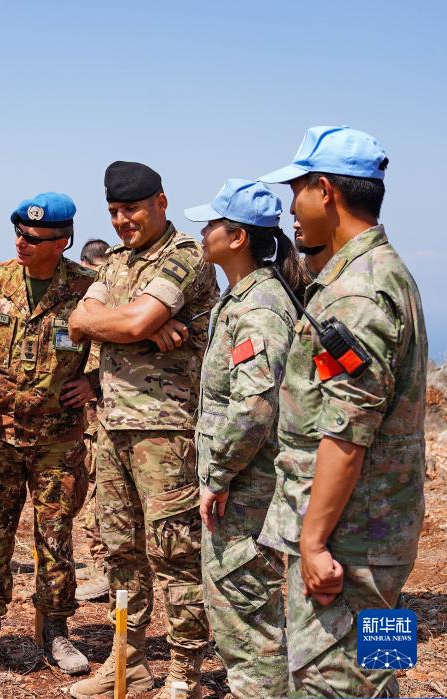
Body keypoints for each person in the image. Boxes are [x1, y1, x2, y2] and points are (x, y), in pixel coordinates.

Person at [256, 126, 426, 697]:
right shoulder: (384, 272)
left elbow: (348, 434)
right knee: (378, 672)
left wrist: (312, 542)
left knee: (335, 683)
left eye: (297, 192)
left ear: (325, 191)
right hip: (377, 534)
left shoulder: (356, 293)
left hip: (347, 543)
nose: (291, 211)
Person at [68, 162, 218, 699]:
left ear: (161, 202)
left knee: (174, 554)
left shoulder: (185, 256)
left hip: (167, 430)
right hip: (112, 426)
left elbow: (128, 321)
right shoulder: (115, 261)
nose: (121, 220)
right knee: (121, 553)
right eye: (113, 211)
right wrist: (140, 327)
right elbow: (77, 321)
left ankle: (185, 671)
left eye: (131, 209)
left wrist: (131, 324)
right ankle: (127, 660)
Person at [0, 192, 96, 677]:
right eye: (18, 232)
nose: (21, 242)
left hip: (58, 438)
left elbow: (114, 341)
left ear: (62, 242)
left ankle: (55, 631)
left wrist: (94, 379)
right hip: (1, 433)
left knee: (55, 535)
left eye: (33, 238)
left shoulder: (87, 287)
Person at [184, 179, 303, 698]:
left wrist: (218, 474)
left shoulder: (259, 308)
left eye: (211, 224)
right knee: (239, 606)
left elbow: (254, 406)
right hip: (242, 480)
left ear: (236, 237)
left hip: (247, 485)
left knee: (245, 614)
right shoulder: (244, 298)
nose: (202, 232)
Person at [74, 238, 111, 603]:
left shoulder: (114, 303)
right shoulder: (84, 300)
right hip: (85, 412)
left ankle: (105, 570)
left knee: (101, 491)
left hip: (105, 409)